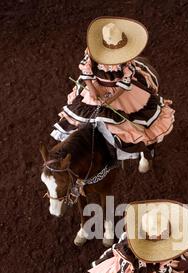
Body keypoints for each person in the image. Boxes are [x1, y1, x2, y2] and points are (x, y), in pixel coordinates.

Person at [51, 17, 175, 168]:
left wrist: (111, 99)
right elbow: (87, 72)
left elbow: (125, 82)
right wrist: (91, 89)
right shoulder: (92, 53)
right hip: (96, 88)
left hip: (121, 92)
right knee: (82, 121)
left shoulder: (125, 59)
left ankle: (145, 150)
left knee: (136, 124)